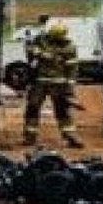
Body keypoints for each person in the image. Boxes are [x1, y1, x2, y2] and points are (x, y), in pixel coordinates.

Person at [22, 13, 84, 147]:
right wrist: (39, 53)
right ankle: (29, 137)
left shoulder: (69, 47)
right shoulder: (40, 39)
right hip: (40, 82)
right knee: (32, 108)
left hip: (59, 85)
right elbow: (30, 50)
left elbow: (72, 68)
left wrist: (69, 88)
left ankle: (70, 136)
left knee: (62, 111)